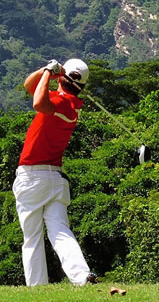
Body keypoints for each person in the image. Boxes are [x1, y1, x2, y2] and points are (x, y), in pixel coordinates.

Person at [13, 58, 97, 286]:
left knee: (32, 237)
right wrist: (45, 71)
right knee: (60, 230)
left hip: (32, 177)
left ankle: (37, 286)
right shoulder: (71, 105)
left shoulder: (59, 102)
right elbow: (30, 86)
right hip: (54, 179)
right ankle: (82, 277)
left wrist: (50, 72)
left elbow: (37, 103)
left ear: (62, 77)